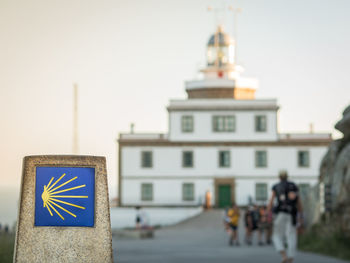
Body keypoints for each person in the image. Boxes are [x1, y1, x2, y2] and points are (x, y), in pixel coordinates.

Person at [268, 171, 303, 263]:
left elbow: (271, 201)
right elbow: (298, 202)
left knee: (276, 235)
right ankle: (291, 258)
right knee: (291, 236)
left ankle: (283, 255)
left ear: (279, 177)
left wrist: (267, 214)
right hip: (292, 214)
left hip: (281, 213)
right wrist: (301, 216)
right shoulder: (294, 186)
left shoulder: (276, 186)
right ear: (287, 177)